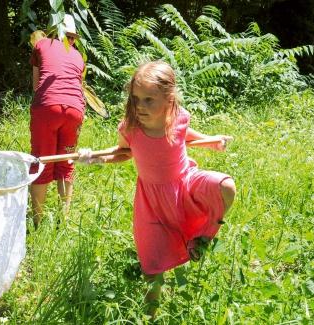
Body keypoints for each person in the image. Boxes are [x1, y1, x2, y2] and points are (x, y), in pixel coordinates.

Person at [77, 60, 236, 318]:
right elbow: (122, 152)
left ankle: (203, 238)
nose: (140, 106)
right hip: (152, 201)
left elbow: (186, 135)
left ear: (169, 99)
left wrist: (211, 142)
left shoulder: (178, 118)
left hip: (185, 185)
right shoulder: (131, 128)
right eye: (136, 99)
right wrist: (95, 157)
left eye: (149, 100)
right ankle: (150, 316)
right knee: (152, 268)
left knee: (226, 186)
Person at [29, 14, 85, 227]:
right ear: (72, 37)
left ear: (52, 31)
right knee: (66, 163)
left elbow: (36, 86)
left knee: (41, 162)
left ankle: (37, 223)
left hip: (47, 108)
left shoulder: (41, 44)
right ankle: (65, 220)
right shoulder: (78, 56)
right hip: (75, 110)